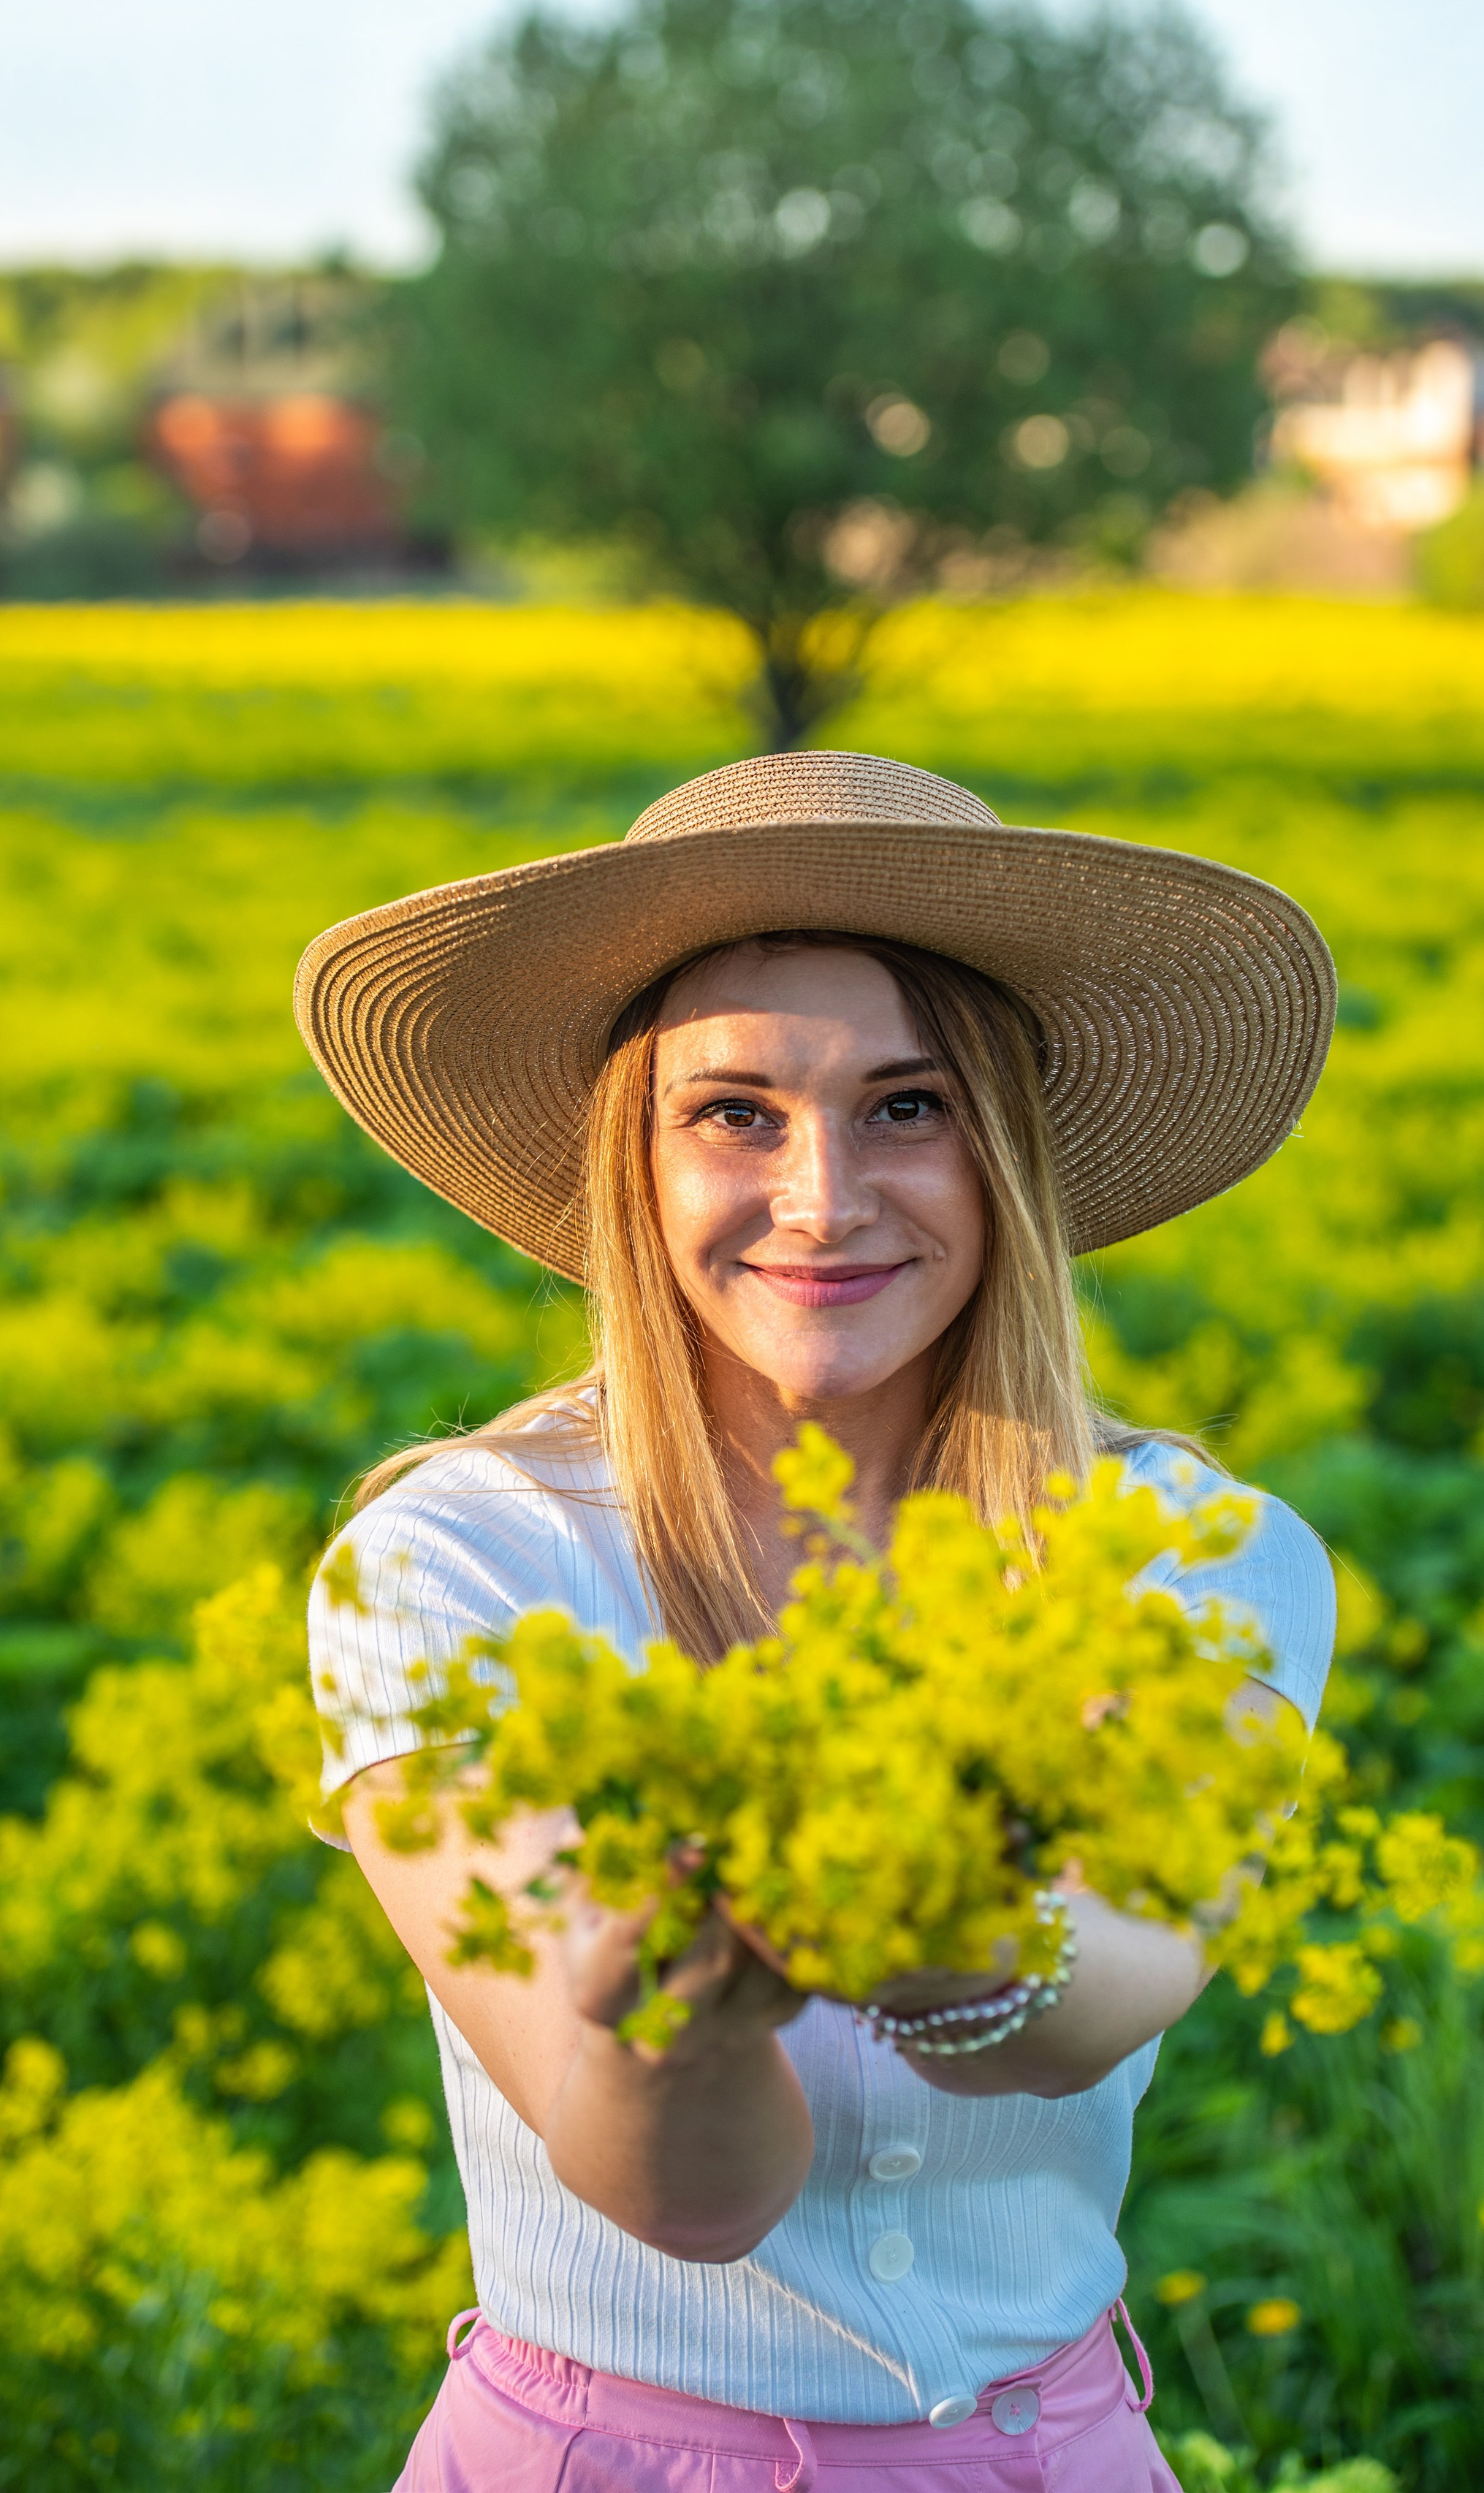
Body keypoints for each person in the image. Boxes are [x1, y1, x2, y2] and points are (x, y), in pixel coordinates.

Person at [299, 751, 1339, 2492]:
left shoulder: (1187, 1551)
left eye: (907, 1107)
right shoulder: (450, 1569)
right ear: (629, 1159)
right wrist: (678, 2006)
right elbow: (673, 2195)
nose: (821, 1196)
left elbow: (1125, 1977)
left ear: (1003, 1149)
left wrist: (962, 1947)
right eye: (733, 1112)